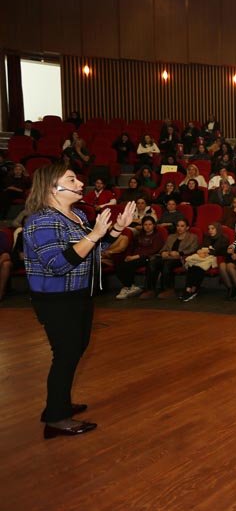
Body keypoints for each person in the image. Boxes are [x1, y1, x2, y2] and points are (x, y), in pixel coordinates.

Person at [23, 164, 135, 438]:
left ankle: (59, 403)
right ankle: (56, 418)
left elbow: (93, 250)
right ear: (52, 187)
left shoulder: (75, 216)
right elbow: (58, 264)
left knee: (74, 350)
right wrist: (94, 234)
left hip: (78, 294)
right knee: (66, 354)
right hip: (56, 299)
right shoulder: (42, 221)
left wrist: (116, 229)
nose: (79, 183)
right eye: (71, 179)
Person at [139, 218, 198, 299]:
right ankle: (150, 290)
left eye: (182, 226)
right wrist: (163, 252)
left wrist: (179, 253)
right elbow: (164, 248)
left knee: (167, 264)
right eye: (177, 226)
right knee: (152, 263)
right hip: (168, 257)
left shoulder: (193, 237)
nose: (179, 228)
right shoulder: (171, 237)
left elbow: (193, 249)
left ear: (187, 227)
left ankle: (169, 290)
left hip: (181, 258)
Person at [114, 216, 164, 299]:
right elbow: (132, 247)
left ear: (154, 225)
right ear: (142, 226)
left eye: (150, 224)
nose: (148, 226)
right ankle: (130, 286)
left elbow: (153, 250)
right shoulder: (139, 235)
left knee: (129, 265)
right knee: (119, 265)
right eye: (145, 224)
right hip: (135, 256)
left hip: (148, 257)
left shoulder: (157, 236)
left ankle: (128, 287)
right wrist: (129, 256)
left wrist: (135, 257)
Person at [179, 222, 230, 302]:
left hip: (214, 259)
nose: (210, 231)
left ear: (218, 229)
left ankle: (194, 289)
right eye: (209, 229)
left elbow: (222, 251)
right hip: (202, 258)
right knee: (192, 266)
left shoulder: (224, 238)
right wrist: (199, 251)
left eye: (213, 228)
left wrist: (208, 252)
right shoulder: (207, 237)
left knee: (199, 267)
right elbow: (200, 247)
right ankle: (188, 288)